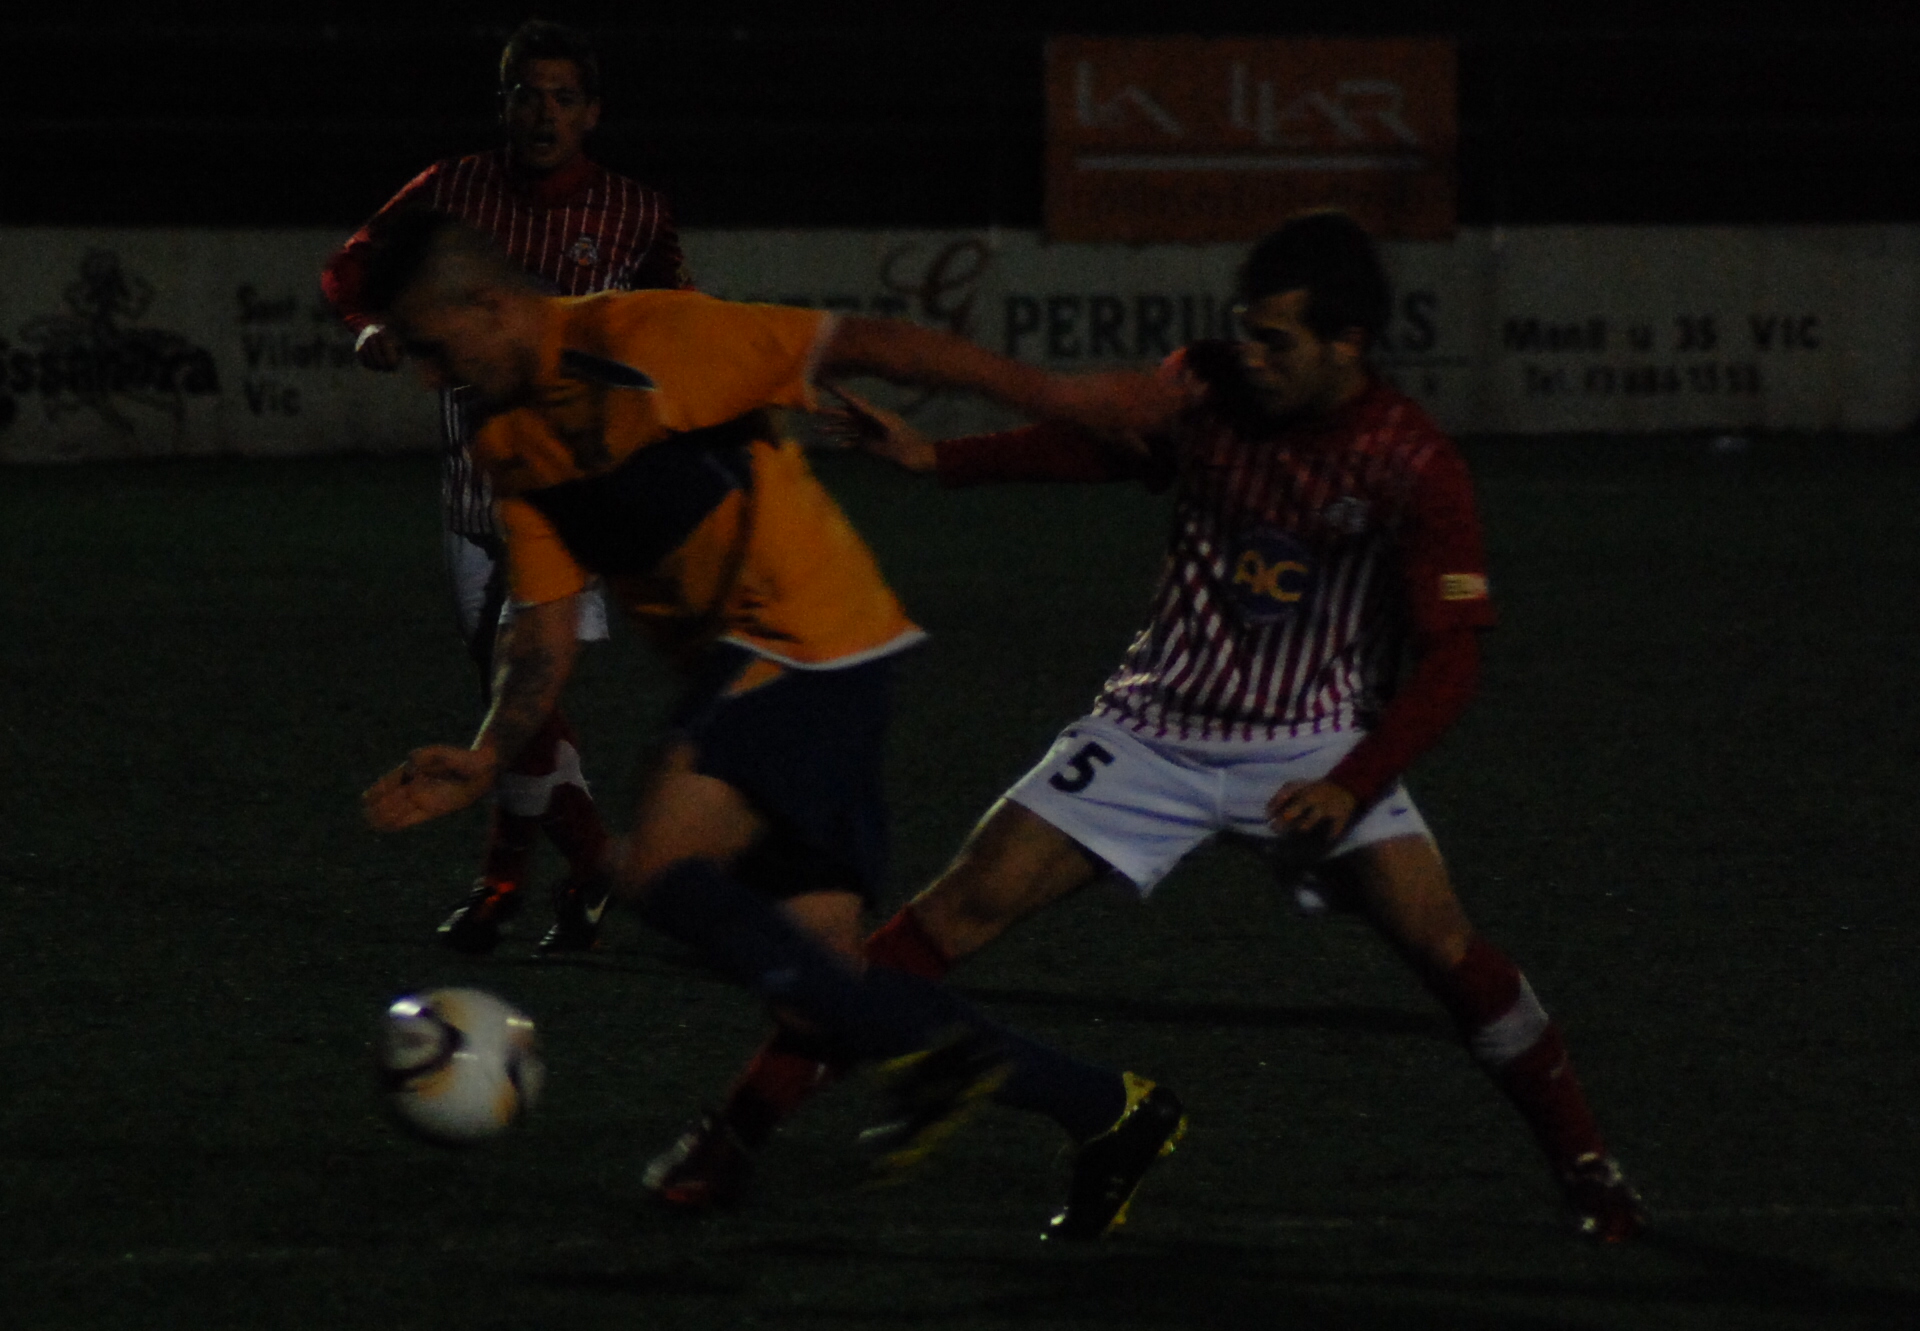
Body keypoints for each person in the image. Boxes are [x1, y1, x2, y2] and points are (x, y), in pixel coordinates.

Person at [653, 211, 1646, 1243]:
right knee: (947, 916)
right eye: (1246, 332)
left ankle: (1585, 1164)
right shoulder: (1208, 388)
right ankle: (731, 1137)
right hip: (1152, 728)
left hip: (1313, 750)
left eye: (1278, 341)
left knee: (1446, 948)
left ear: (1348, 345)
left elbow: (1455, 658)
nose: (1250, 356)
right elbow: (1102, 448)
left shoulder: (1412, 463)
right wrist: (942, 462)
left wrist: (1356, 779)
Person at [354, 208, 1194, 1239]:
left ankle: (945, 1063)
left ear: (490, 304)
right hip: (801, 662)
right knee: (823, 990)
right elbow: (543, 625)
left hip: (804, 638)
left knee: (656, 866)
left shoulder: (646, 338)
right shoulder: (505, 436)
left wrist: (1069, 397)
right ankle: (1105, 1110)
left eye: (434, 349)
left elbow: (867, 341)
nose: (430, 379)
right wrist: (490, 753)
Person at [323, 18, 688, 956]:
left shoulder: (635, 212)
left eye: (563, 97)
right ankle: (551, 883)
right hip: (470, 498)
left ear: (593, 113)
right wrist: (372, 327)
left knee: (519, 694)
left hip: (573, 502)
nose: (544, 113)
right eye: (528, 93)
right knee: (518, 703)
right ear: (503, 103)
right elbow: (350, 270)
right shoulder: (452, 190)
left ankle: (535, 881)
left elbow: (675, 323)